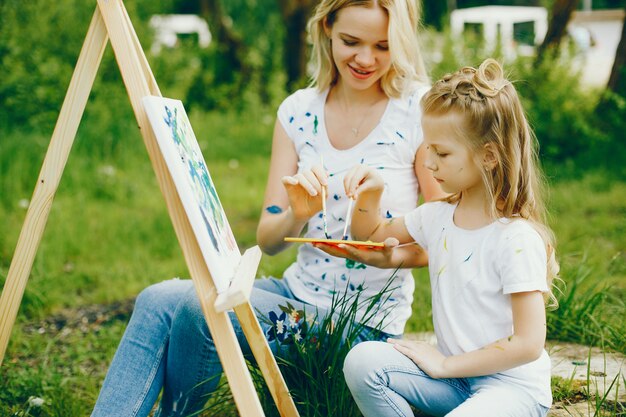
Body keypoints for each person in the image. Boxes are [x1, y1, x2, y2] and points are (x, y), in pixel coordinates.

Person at [91, 1, 443, 416]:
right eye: (351, 42)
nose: (365, 59)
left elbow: (444, 235)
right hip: (294, 293)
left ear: (400, 43)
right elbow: (268, 239)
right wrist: (297, 211)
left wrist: (389, 259)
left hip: (359, 326)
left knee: (197, 308)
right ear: (327, 27)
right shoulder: (298, 111)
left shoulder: (419, 111)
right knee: (156, 298)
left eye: (382, 46)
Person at [339, 58, 559, 417]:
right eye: (428, 148)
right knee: (363, 361)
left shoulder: (515, 238)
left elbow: (529, 344)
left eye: (442, 153)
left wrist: (444, 366)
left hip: (511, 388)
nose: (429, 163)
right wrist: (371, 194)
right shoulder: (436, 215)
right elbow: (374, 238)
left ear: (488, 156)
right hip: (455, 382)